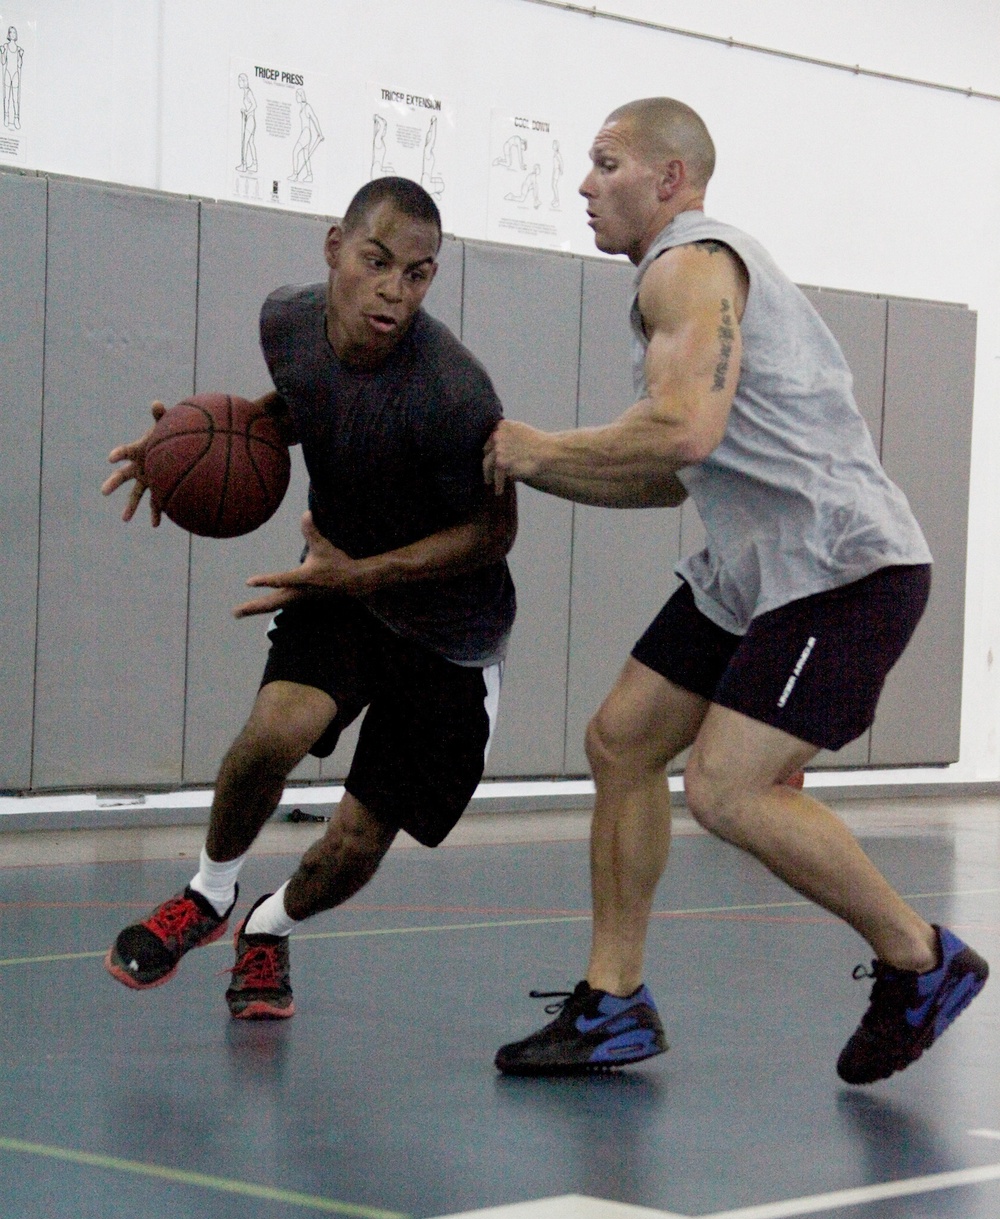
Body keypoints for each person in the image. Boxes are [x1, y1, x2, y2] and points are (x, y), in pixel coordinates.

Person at [484, 98, 987, 1083]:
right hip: (753, 569)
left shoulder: (690, 259)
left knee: (725, 786)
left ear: (671, 179)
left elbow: (679, 432)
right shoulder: (681, 278)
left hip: (840, 566)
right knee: (621, 738)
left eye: (606, 162)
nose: (584, 184)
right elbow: (672, 472)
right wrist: (534, 468)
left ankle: (920, 960)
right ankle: (612, 1002)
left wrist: (540, 444)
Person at [103, 176, 516, 1020]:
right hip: (341, 583)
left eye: (419, 274)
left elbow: (493, 534)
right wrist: (192, 440)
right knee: (275, 730)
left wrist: (359, 574)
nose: (395, 292)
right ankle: (210, 895)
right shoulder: (285, 322)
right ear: (335, 249)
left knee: (355, 843)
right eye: (378, 262)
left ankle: (270, 925)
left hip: (451, 629)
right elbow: (306, 406)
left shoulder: (455, 392)